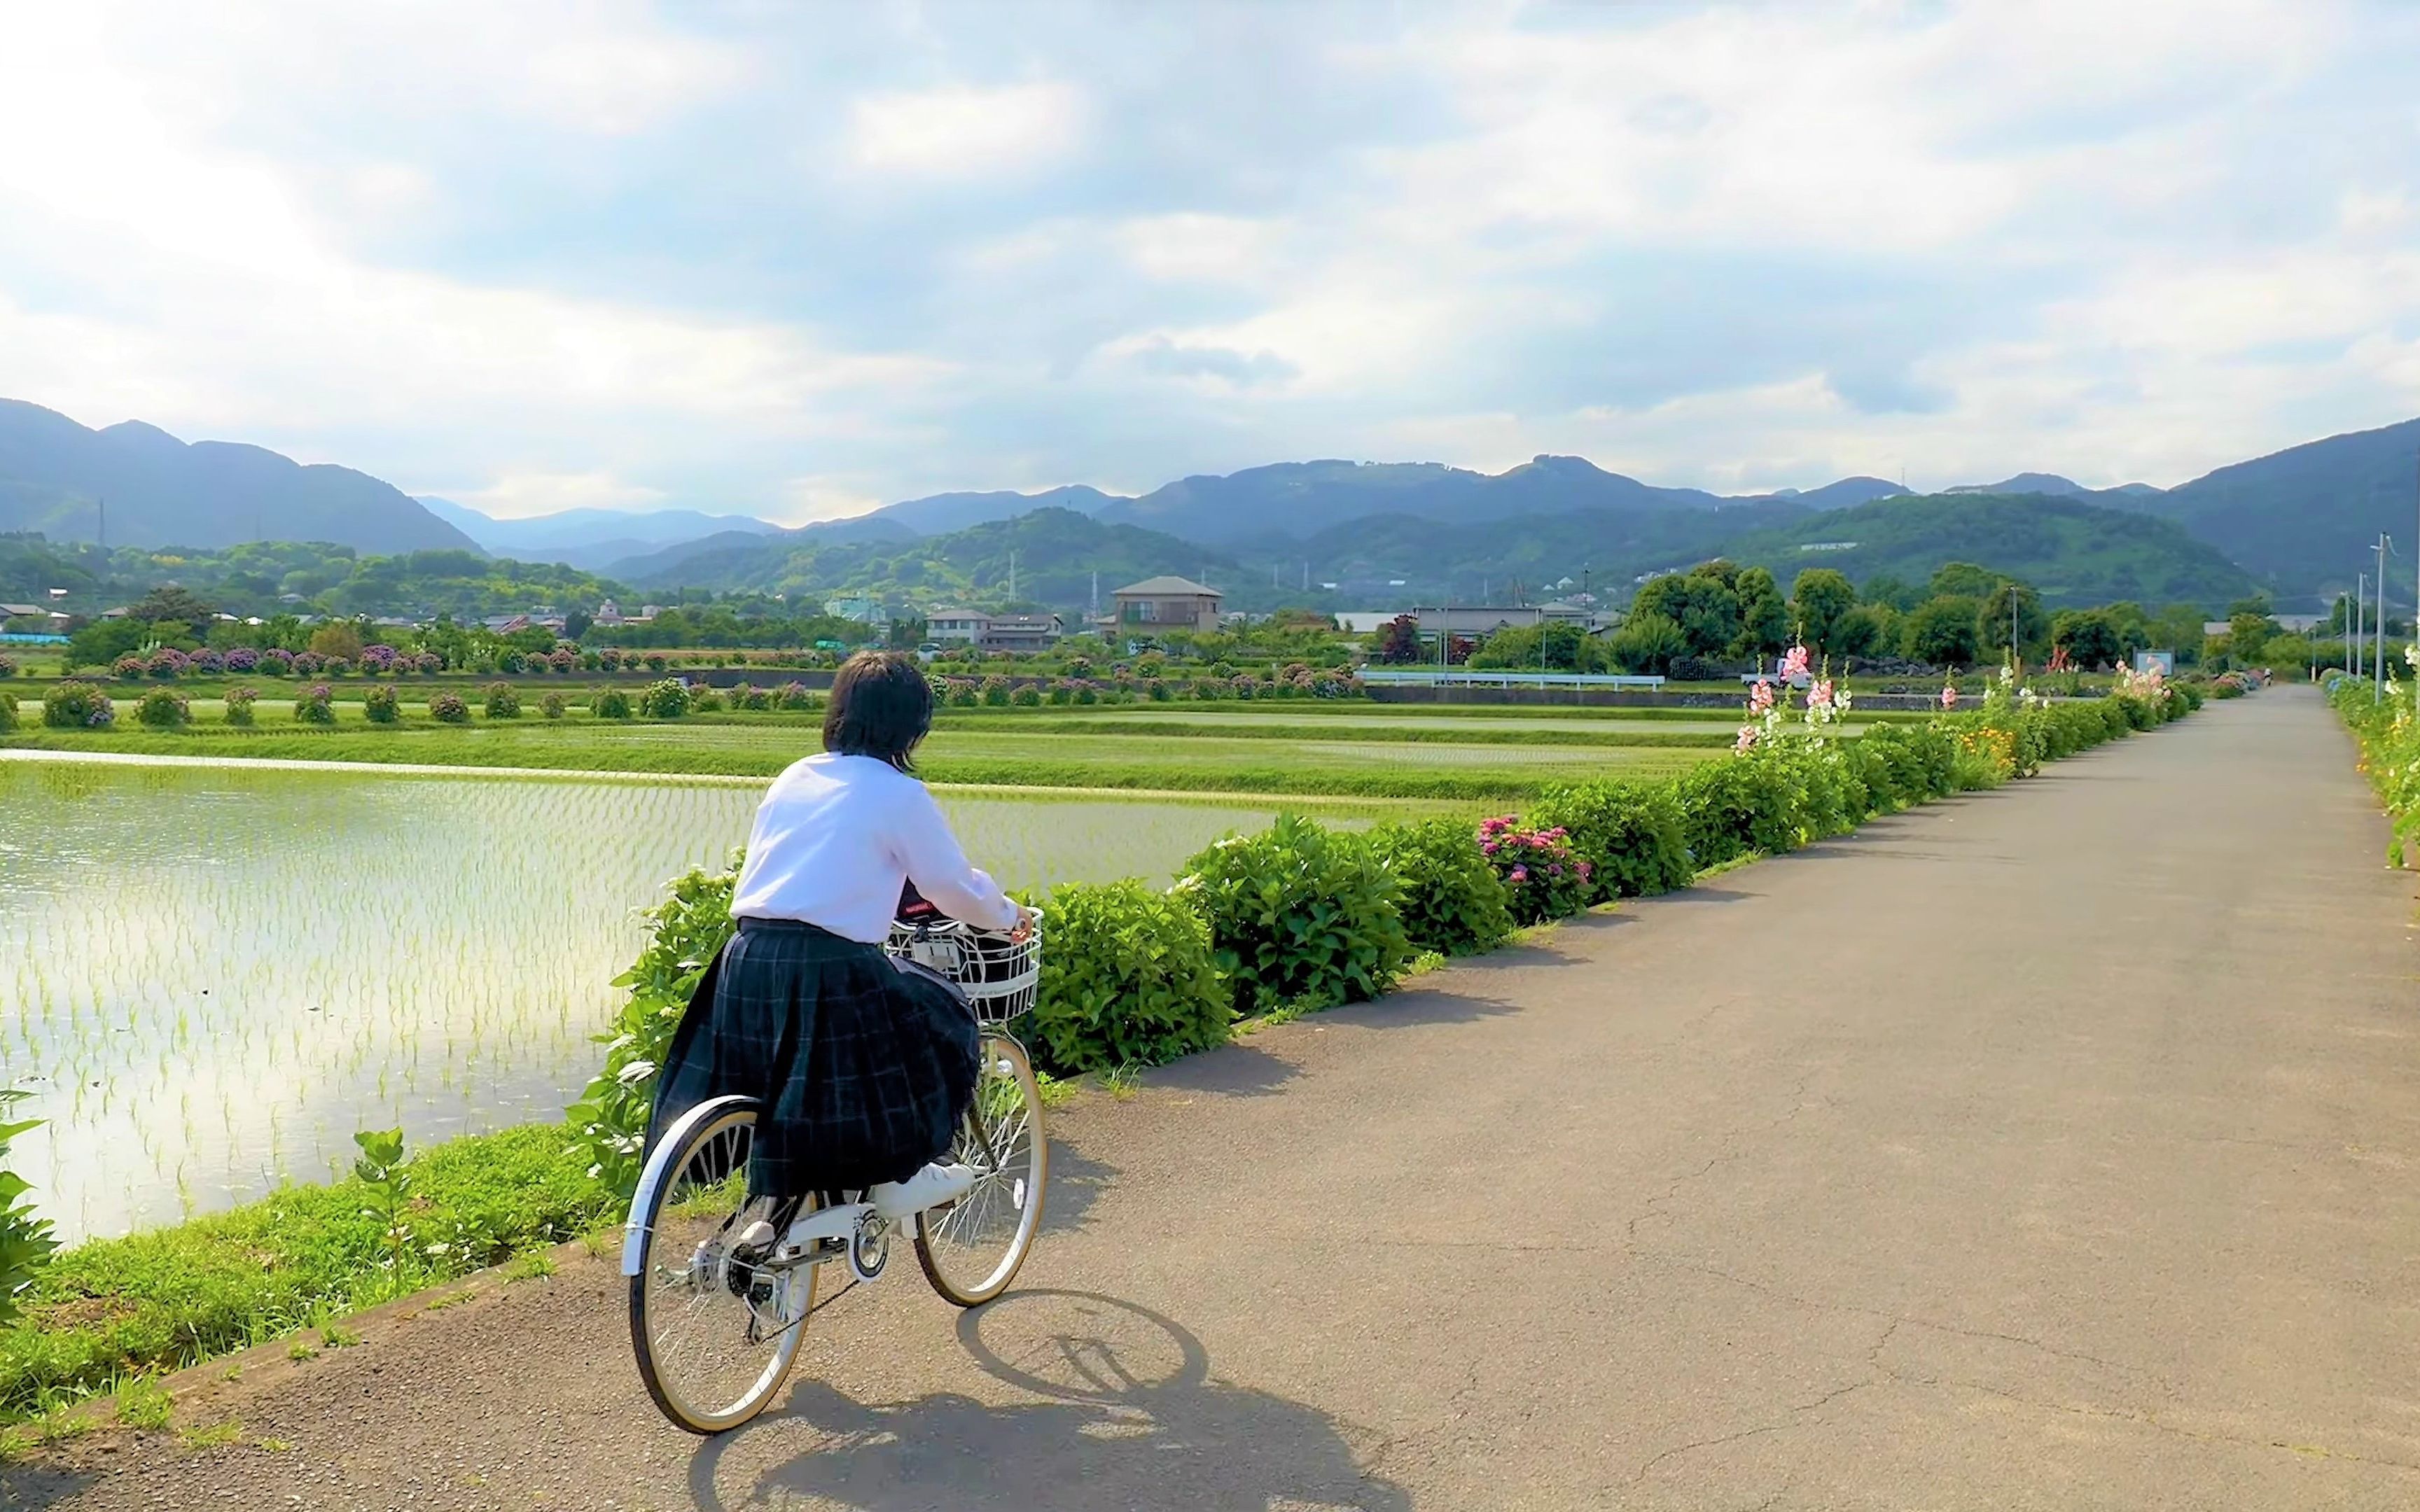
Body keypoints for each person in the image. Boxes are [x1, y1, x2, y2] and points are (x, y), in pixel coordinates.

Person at [645, 650, 1032, 1242]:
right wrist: (1007, 917)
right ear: (913, 726)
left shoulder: (795, 776)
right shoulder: (899, 793)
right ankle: (902, 1175)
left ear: (840, 712)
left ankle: (780, 1218)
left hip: (746, 959)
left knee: (783, 1089)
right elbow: (951, 887)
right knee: (943, 1015)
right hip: (828, 966)